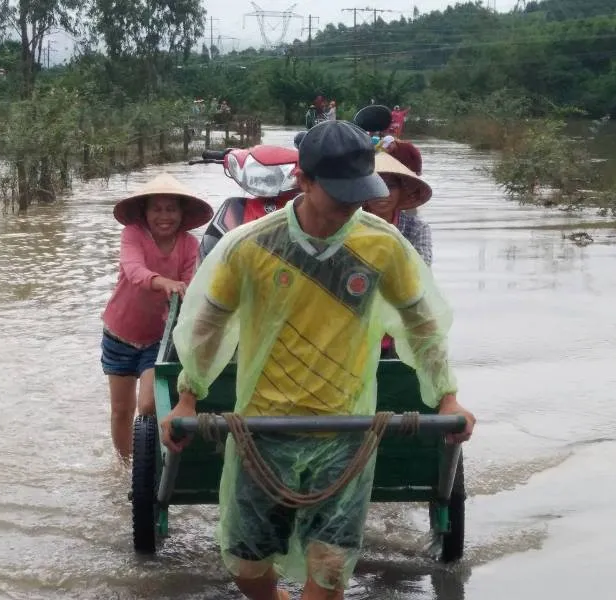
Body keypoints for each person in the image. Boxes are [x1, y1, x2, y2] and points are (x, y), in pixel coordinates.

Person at [161, 120, 475, 600]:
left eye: (359, 194)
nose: (351, 206)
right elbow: (208, 325)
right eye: (339, 194)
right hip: (261, 428)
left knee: (330, 570)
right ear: (303, 180)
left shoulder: (383, 245)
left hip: (347, 431)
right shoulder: (251, 246)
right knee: (246, 564)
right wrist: (188, 395)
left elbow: (422, 326)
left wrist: (447, 396)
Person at [101, 174, 213, 461]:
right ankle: (126, 467)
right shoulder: (133, 234)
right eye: (157, 209)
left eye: (171, 209)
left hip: (157, 339)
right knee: (121, 410)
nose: (165, 217)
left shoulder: (189, 244)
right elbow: (133, 270)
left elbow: (190, 286)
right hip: (119, 335)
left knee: (148, 405)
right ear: (145, 212)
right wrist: (165, 283)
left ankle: (148, 462)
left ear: (182, 213)